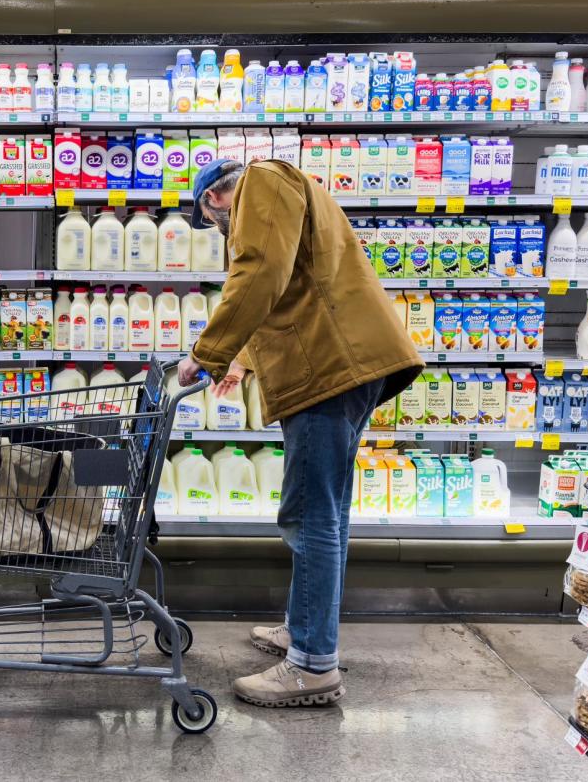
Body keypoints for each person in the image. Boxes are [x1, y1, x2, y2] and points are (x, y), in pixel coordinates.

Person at [177, 158, 422, 708]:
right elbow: (286, 286)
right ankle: (303, 629)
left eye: (213, 224)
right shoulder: (283, 190)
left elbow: (261, 272)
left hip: (328, 367)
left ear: (214, 199)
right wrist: (236, 359)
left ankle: (312, 664)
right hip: (339, 361)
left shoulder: (262, 182)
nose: (221, 234)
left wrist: (206, 353)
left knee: (310, 513)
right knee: (326, 511)